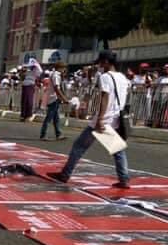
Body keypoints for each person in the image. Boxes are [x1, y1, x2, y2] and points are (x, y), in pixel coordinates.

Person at [53, 51, 130, 189]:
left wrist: (100, 119)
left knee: (79, 146)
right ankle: (124, 179)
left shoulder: (106, 77)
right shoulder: (122, 78)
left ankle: (65, 174)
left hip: (103, 119)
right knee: (117, 149)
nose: (99, 65)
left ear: (106, 62)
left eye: (100, 62)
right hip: (116, 117)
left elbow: (105, 98)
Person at [40, 61, 68, 141]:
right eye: (63, 68)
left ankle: (58, 134)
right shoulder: (56, 75)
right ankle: (43, 134)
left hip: (53, 97)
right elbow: (56, 88)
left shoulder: (55, 74)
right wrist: (63, 98)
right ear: (60, 68)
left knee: (56, 118)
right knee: (49, 117)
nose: (64, 70)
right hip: (54, 98)